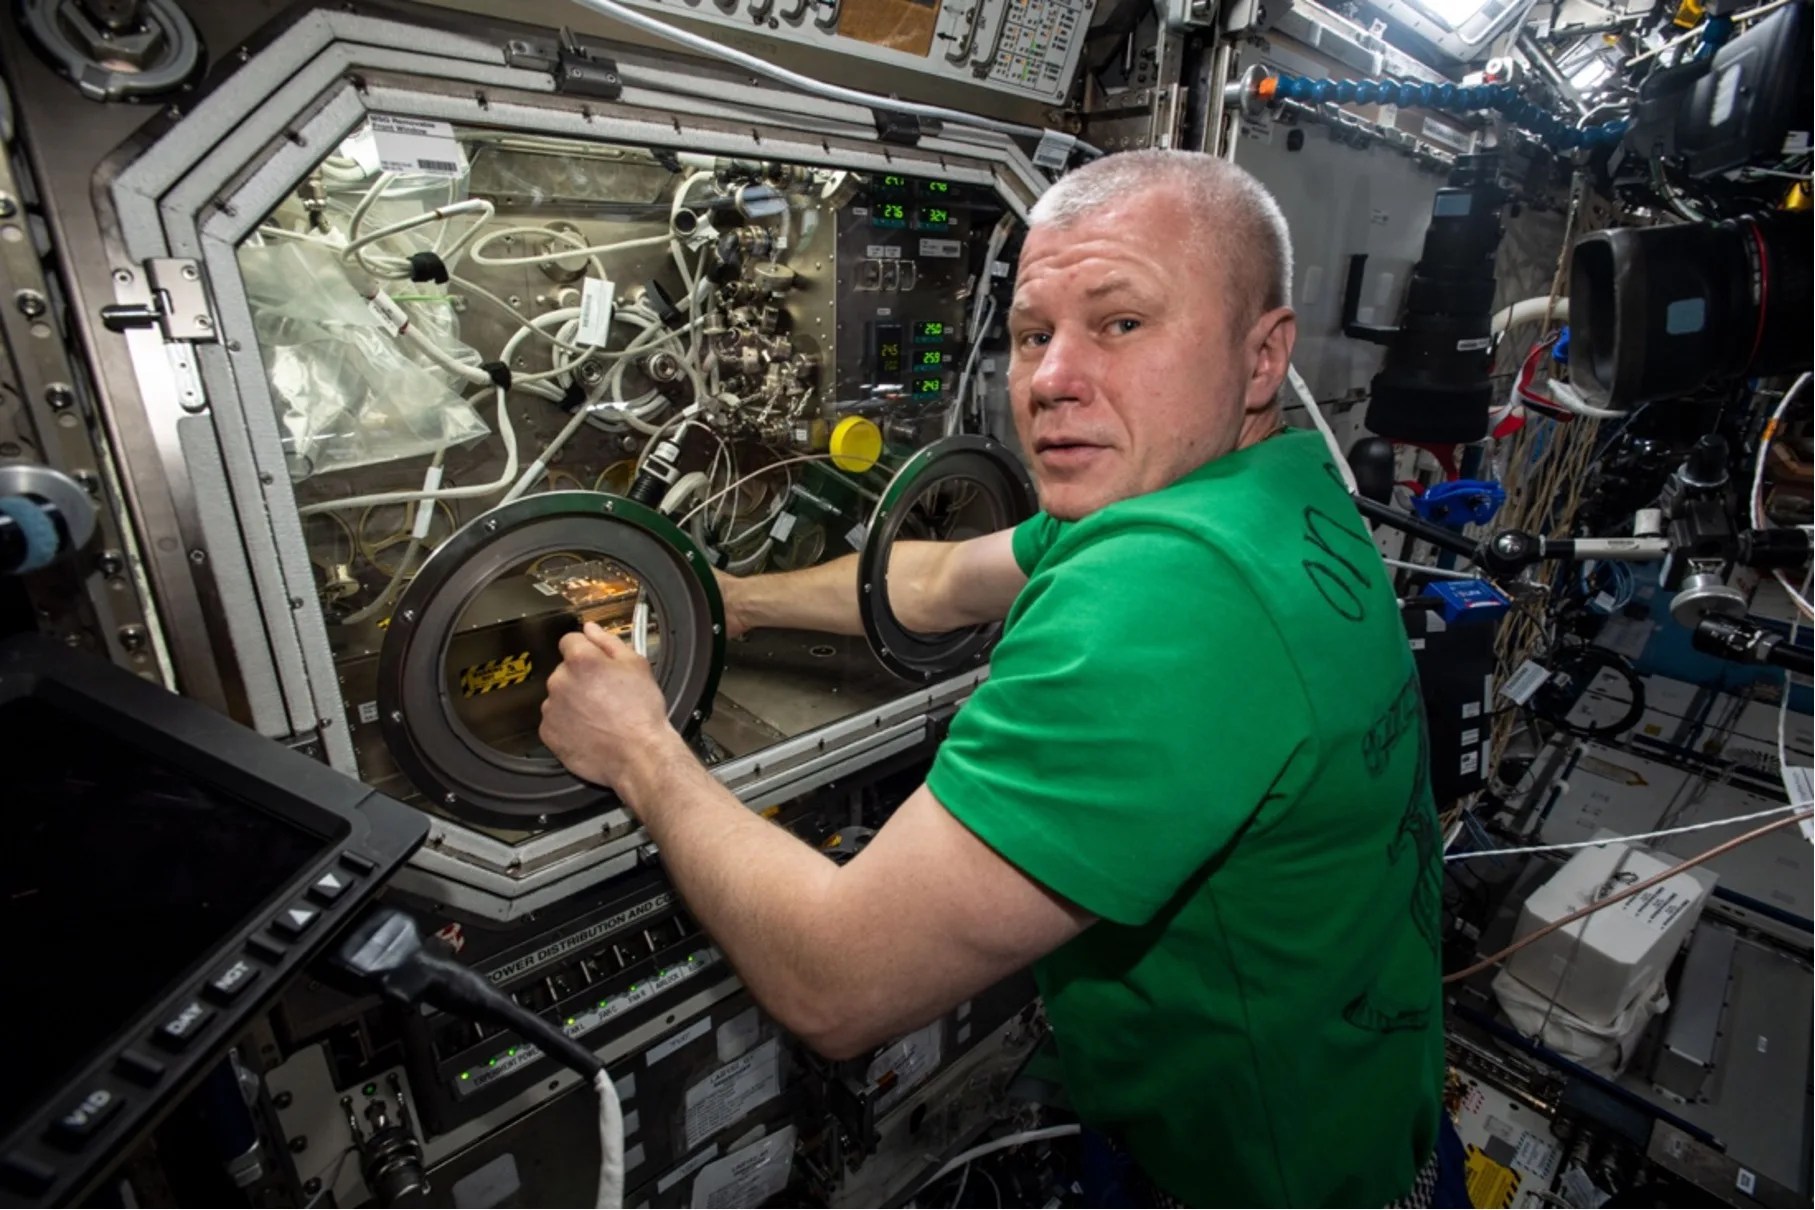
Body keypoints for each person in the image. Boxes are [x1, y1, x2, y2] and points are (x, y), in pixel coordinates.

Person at [540, 150, 1458, 1206]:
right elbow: (932, 581)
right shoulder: (1252, 487)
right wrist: (734, 599)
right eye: (1033, 333)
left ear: (1263, 357)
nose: (1052, 380)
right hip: (1355, 1110)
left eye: (1122, 323)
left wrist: (640, 749)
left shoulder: (1166, 598)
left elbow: (836, 980)